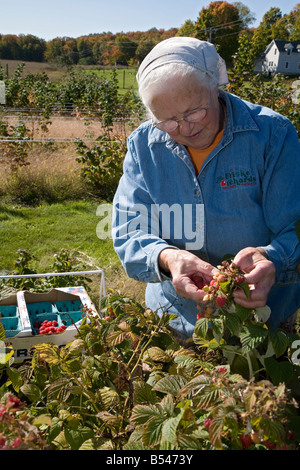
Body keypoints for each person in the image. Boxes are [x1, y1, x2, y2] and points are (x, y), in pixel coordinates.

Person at [112, 37, 300, 339]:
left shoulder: (272, 135)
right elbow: (129, 230)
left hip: (262, 324)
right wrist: (168, 258)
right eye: (168, 122)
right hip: (177, 318)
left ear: (216, 86)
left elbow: (294, 227)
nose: (186, 128)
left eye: (195, 112)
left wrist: (271, 258)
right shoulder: (143, 146)